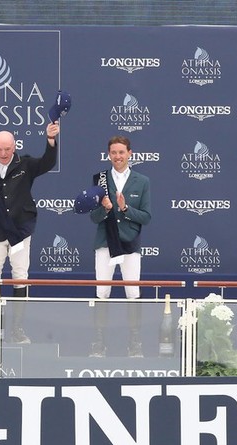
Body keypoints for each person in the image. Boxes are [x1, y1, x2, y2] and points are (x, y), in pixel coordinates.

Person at [0, 122, 60, 344]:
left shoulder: (25, 164)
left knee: (20, 277)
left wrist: (50, 140)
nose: (3, 153)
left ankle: (17, 330)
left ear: (15, 146)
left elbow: (48, 162)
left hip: (21, 231)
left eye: (7, 149)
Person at [88, 135, 151, 357]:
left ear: (129, 154)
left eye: (121, 152)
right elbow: (94, 218)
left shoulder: (142, 181)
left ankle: (135, 344)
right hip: (105, 243)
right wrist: (105, 208)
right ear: (109, 155)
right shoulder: (100, 179)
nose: (118, 156)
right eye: (114, 153)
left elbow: (146, 217)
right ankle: (98, 343)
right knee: (102, 291)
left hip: (129, 243)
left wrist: (125, 209)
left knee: (133, 292)